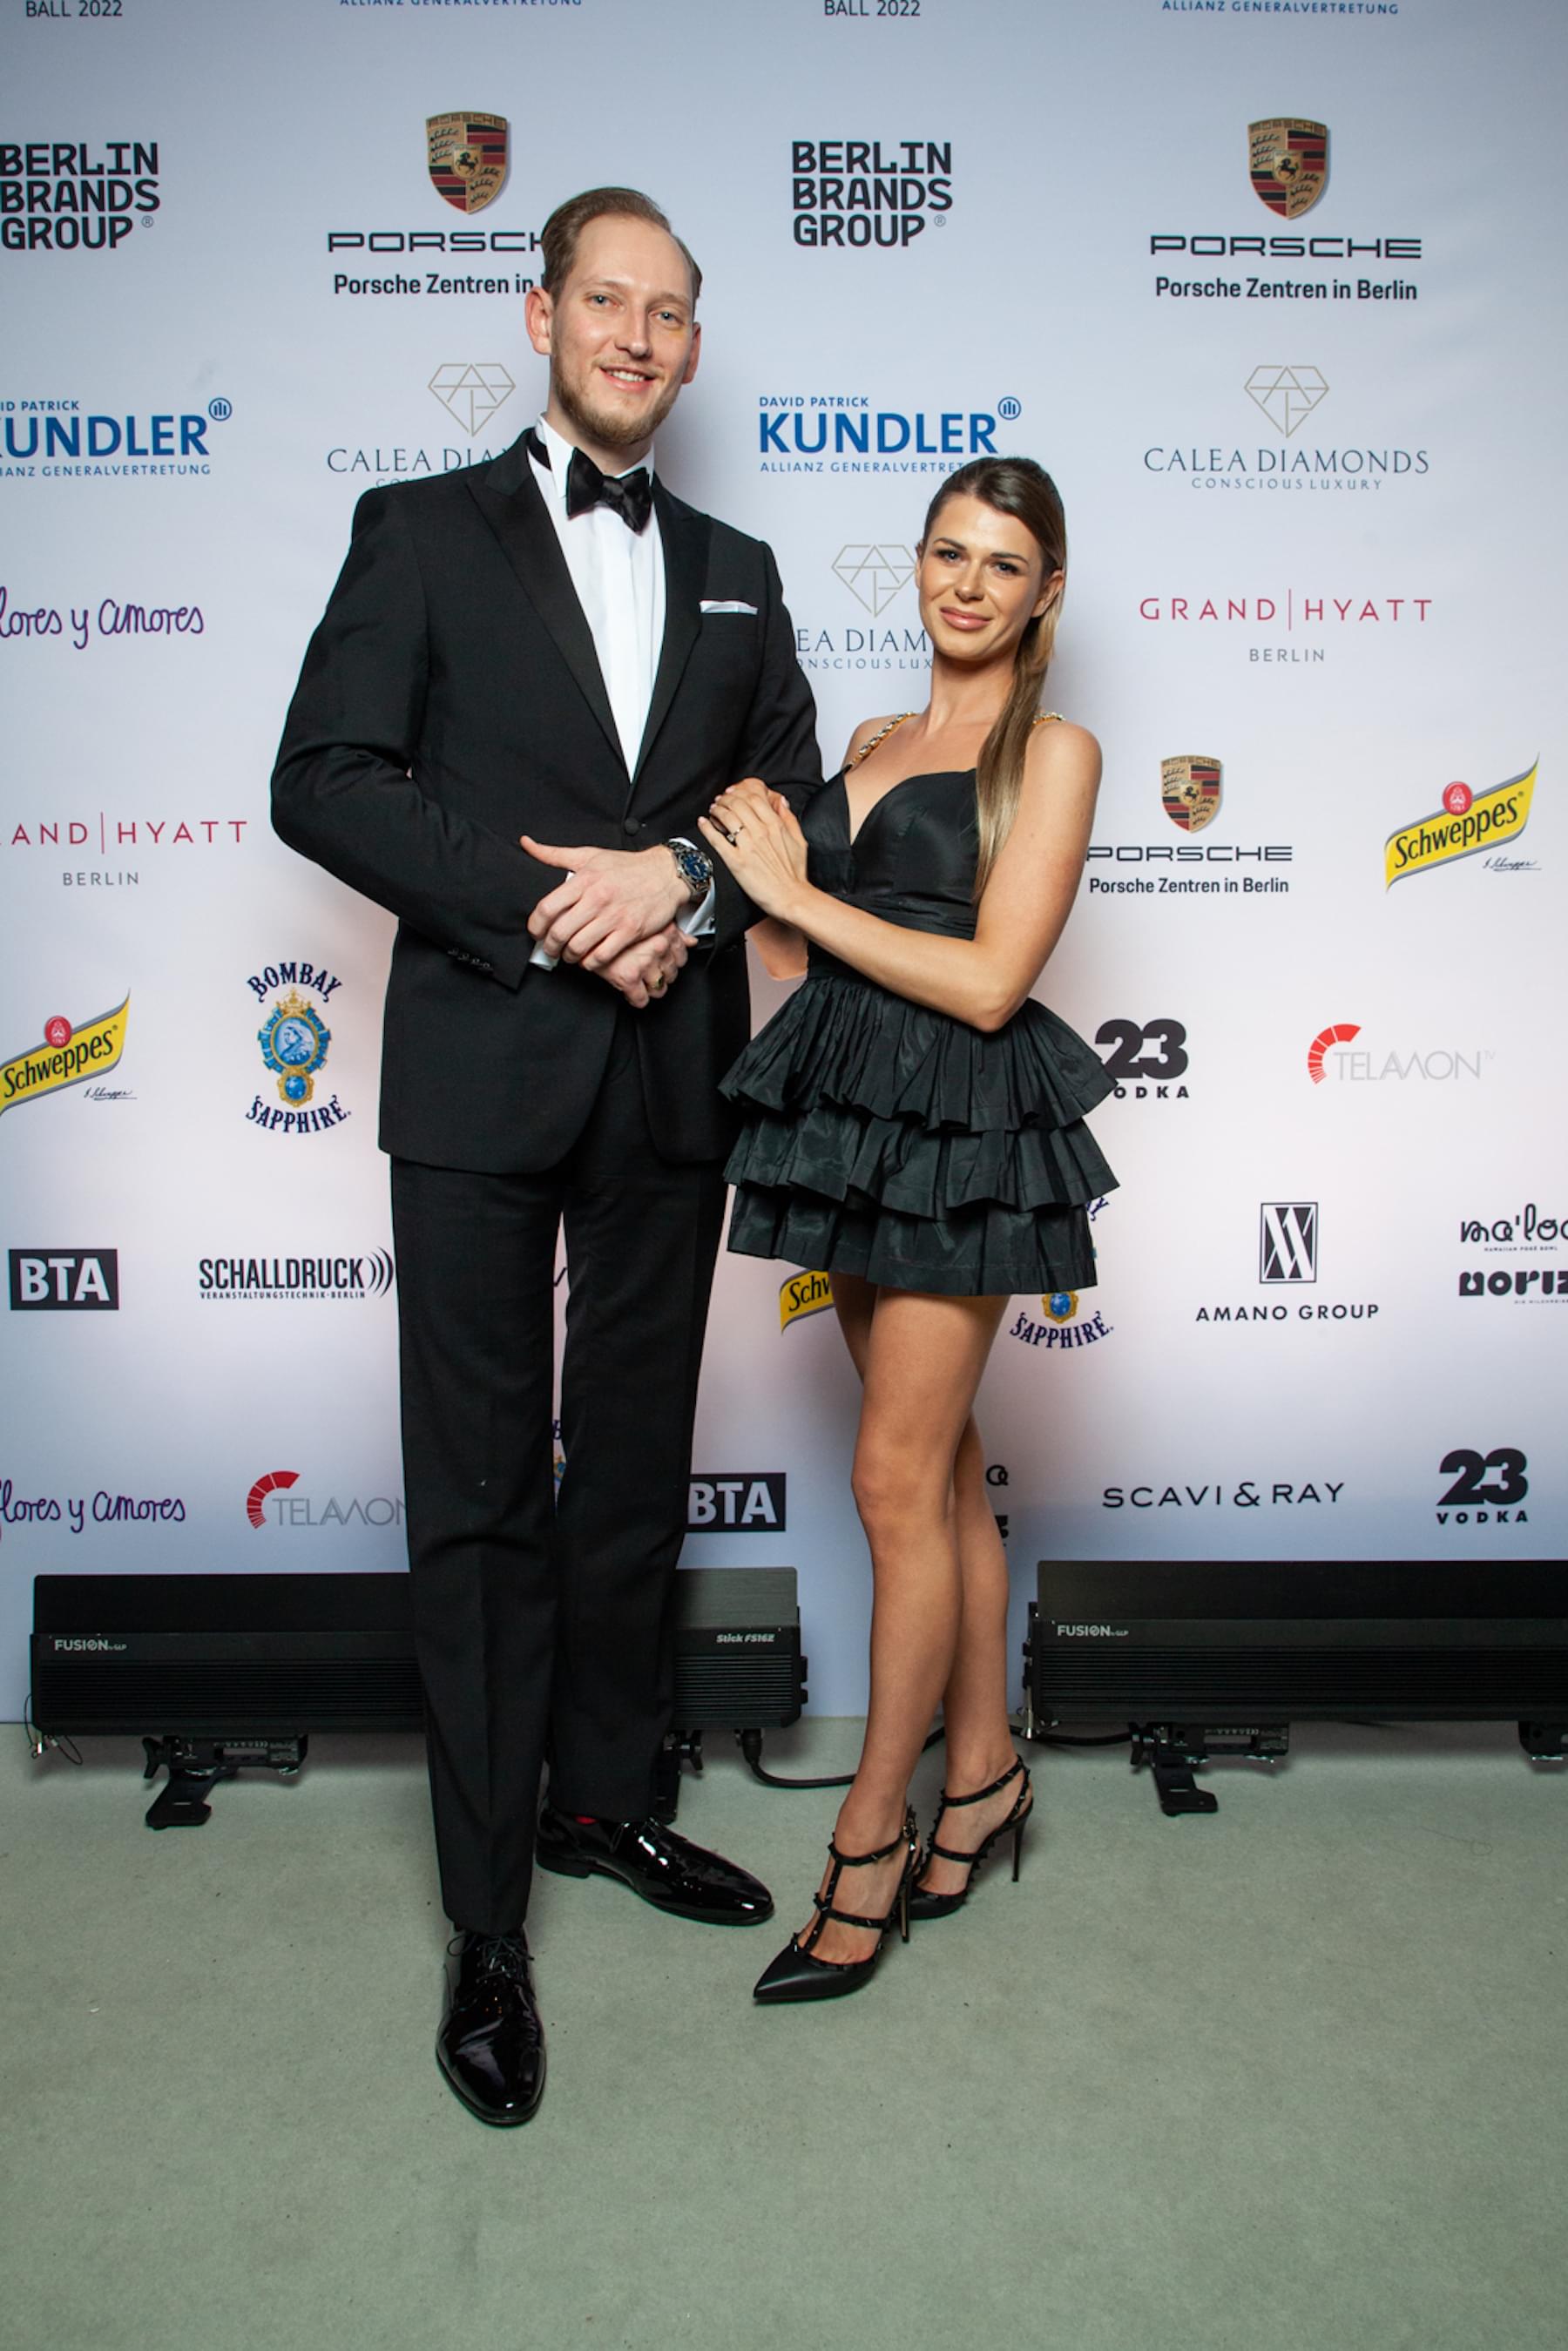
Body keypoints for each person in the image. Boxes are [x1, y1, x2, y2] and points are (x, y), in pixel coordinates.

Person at [272, 187, 821, 2119]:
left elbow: (799, 804)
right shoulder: (419, 533)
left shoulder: (743, 569)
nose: (637, 335)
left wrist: (679, 883)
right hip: (483, 1073)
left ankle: (603, 1800)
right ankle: (488, 1915)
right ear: (541, 312)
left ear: (693, 345)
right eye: (607, 298)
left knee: (632, 1481)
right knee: (486, 1491)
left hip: (672, 1076)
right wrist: (549, 909)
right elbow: (323, 781)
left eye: (669, 312)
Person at [697, 456, 1114, 2003]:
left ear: (1046, 593)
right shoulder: (874, 740)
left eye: (1003, 564)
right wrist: (756, 871)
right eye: (949, 552)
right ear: (917, 562)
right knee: (936, 1476)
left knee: (890, 1479)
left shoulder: (1052, 751)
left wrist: (800, 891)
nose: (968, 584)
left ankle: (869, 1836)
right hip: (855, 1119)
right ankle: (986, 1772)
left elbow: (993, 982)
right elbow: (798, 948)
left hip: (965, 1136)